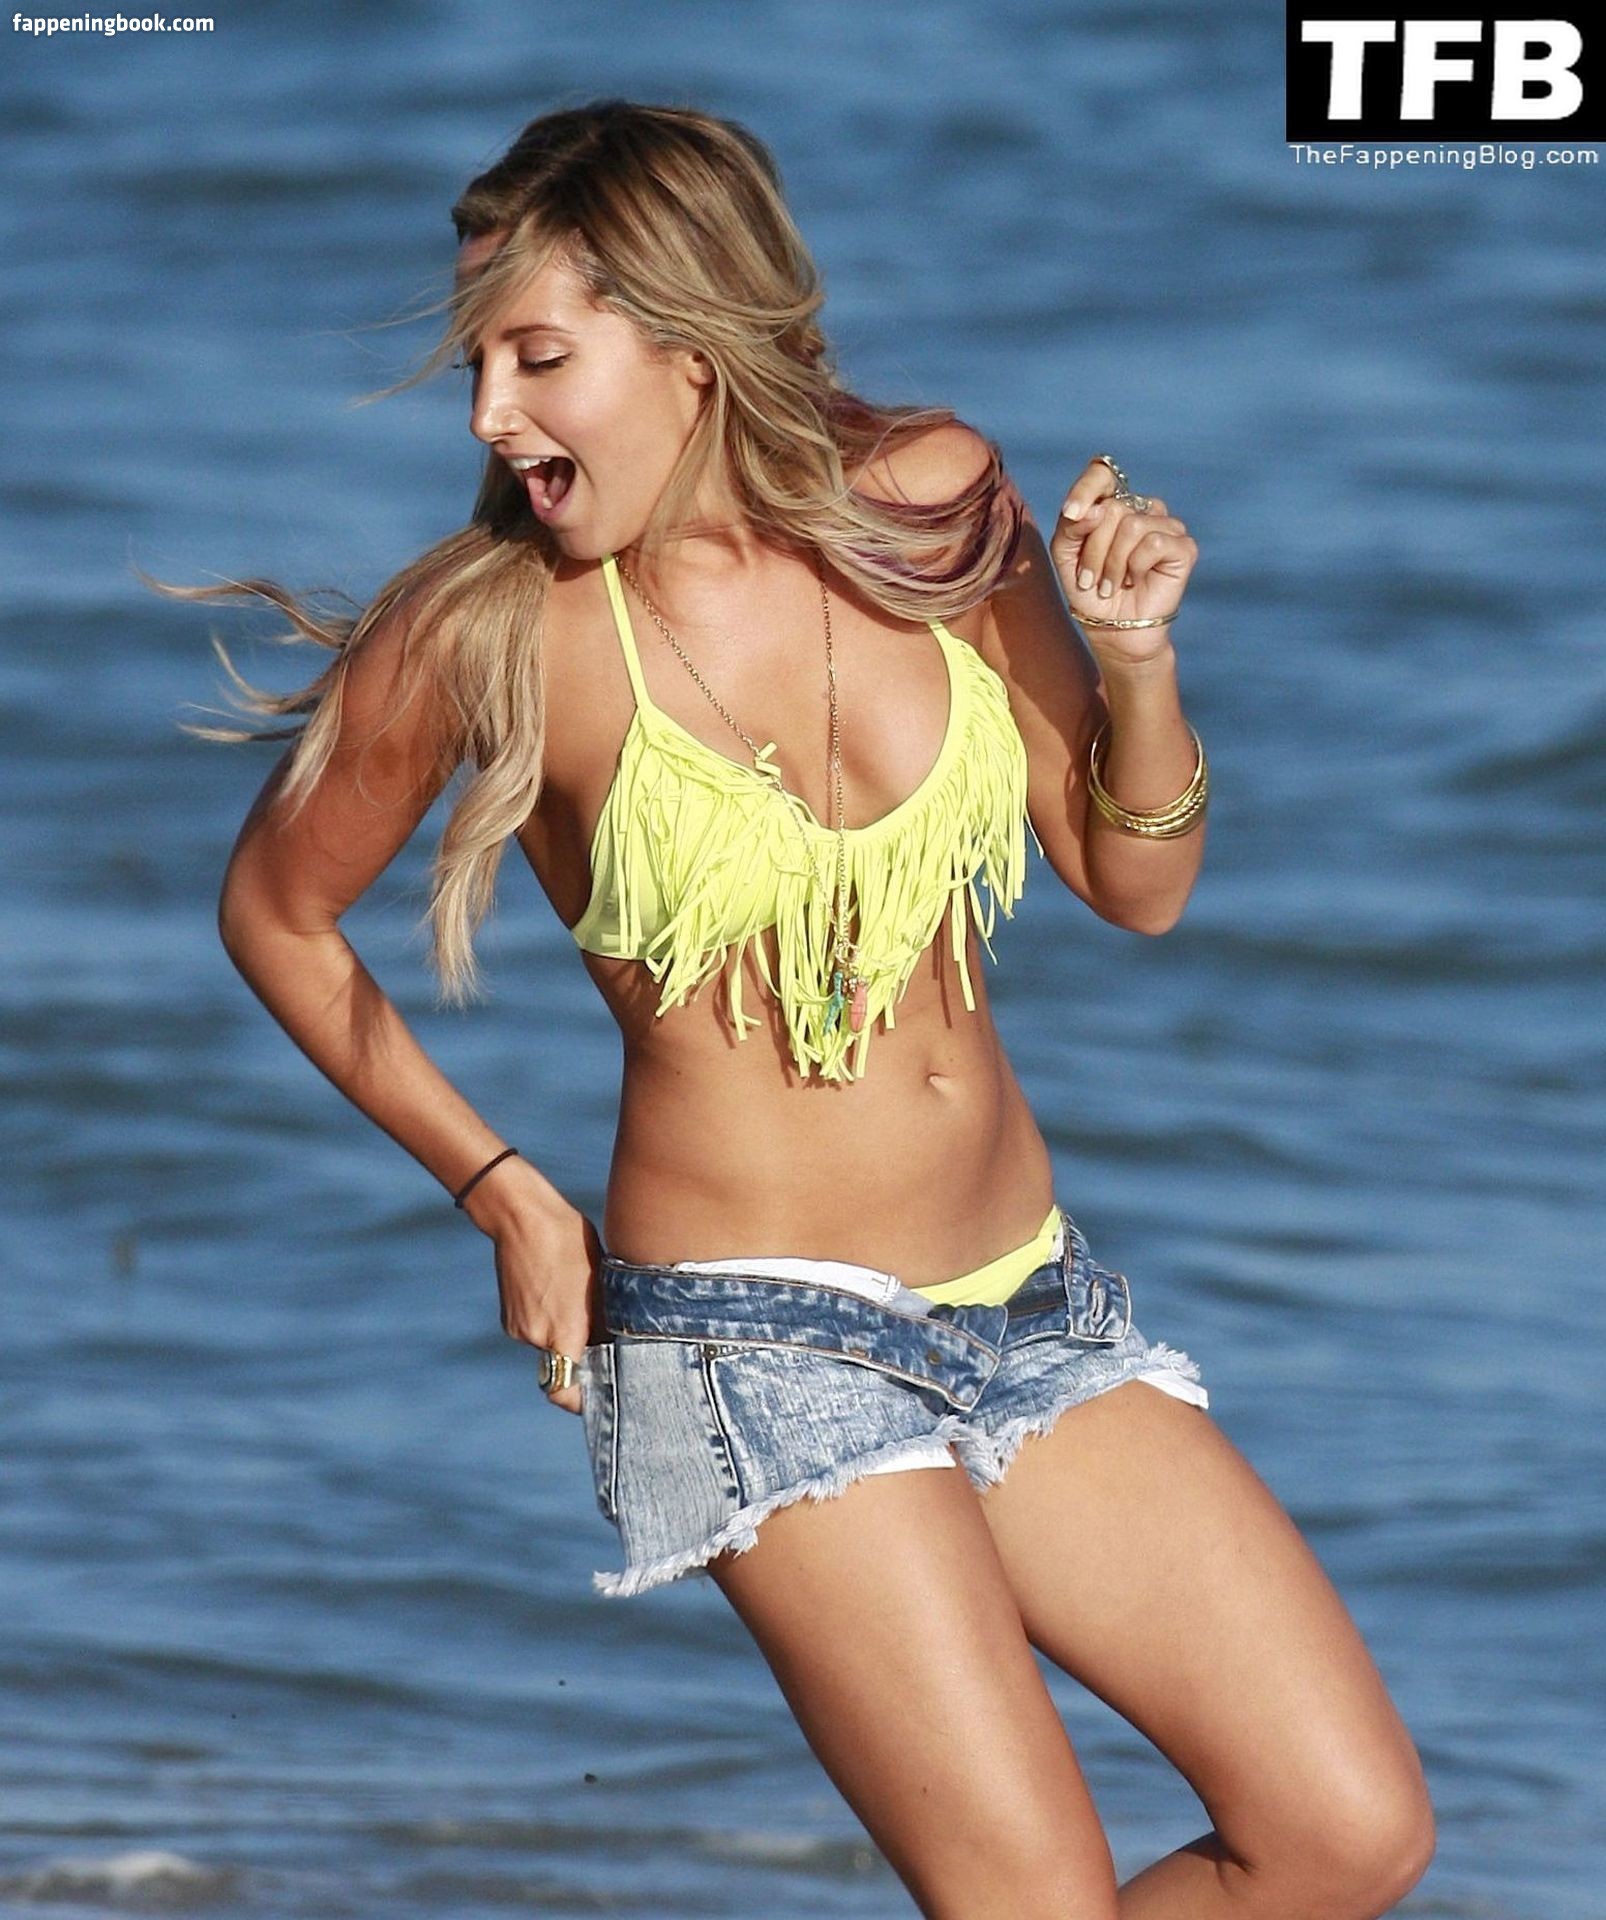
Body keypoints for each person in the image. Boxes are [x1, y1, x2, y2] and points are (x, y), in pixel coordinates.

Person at [154, 100, 1434, 1920]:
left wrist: (1136, 665)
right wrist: (503, 1192)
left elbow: (1133, 878)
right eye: (478, 366)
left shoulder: (931, 500)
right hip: (753, 1344)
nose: (488, 415)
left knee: (1344, 1832)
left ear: (689, 343)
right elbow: (276, 914)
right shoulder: (491, 631)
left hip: (1030, 1301)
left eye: (536, 359)